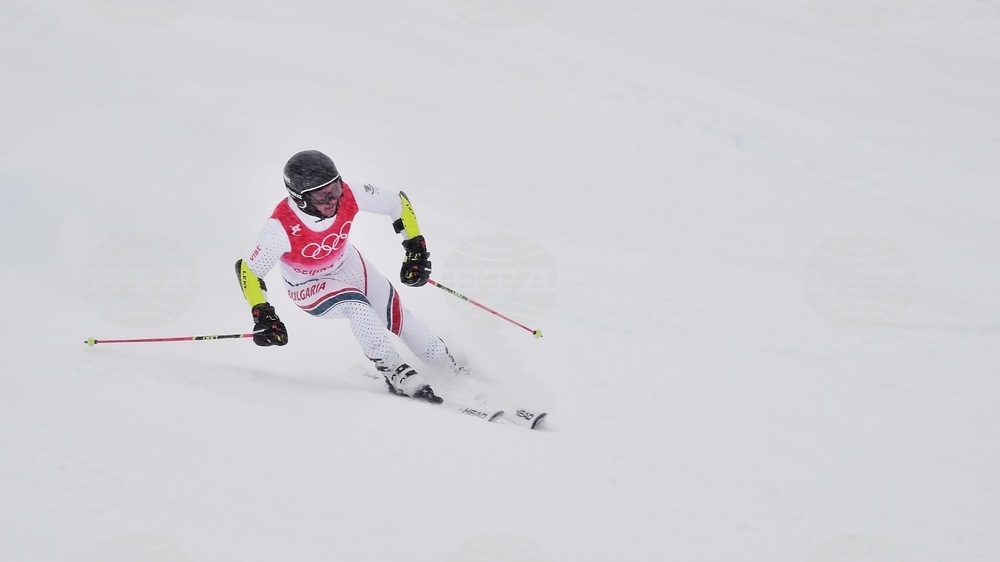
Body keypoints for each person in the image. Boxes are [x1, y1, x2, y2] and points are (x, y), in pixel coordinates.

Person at [234, 149, 464, 404]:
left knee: (398, 315)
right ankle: (392, 368)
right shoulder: (280, 227)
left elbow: (398, 203)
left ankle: (448, 367)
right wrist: (263, 314)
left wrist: (415, 250)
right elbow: (249, 270)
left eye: (335, 189)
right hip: (307, 284)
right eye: (322, 196)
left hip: (348, 264)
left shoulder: (349, 194)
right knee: (356, 305)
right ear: (301, 198)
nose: (333, 200)